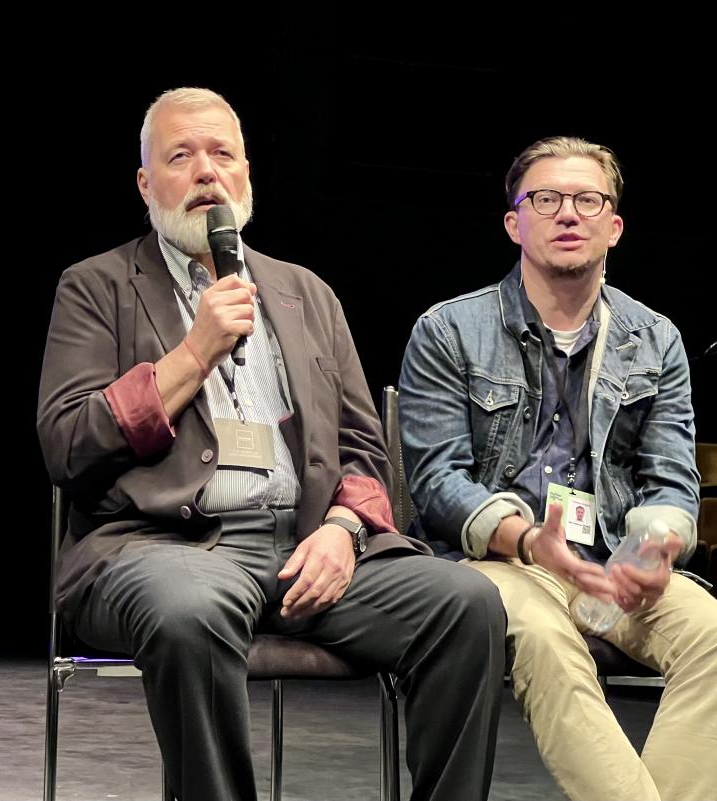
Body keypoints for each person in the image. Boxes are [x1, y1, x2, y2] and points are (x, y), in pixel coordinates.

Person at [37, 87, 505, 801]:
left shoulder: (304, 292)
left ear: (247, 174)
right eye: (181, 156)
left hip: (304, 548)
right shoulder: (98, 286)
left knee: (466, 603)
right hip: (158, 546)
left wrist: (345, 532)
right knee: (187, 610)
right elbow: (68, 442)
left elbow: (363, 448)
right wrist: (193, 352)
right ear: (145, 182)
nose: (205, 172)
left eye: (222, 154)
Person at [399, 136, 717, 801]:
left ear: (614, 226)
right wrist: (530, 540)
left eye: (588, 199)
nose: (568, 213)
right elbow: (439, 482)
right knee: (546, 640)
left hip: (608, 565)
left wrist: (656, 546)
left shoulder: (656, 338)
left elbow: (672, 476)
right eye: (547, 198)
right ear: (515, 221)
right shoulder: (448, 329)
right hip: (494, 565)